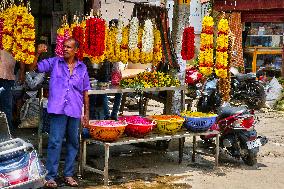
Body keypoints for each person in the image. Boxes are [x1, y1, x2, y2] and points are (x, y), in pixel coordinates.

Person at [30, 38, 90, 188]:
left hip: (75, 109)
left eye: (69, 47)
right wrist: (37, 53)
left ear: (76, 50)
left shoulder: (82, 68)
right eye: (64, 46)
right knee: (55, 142)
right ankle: (51, 176)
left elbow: (85, 92)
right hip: (57, 109)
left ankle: (68, 174)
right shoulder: (54, 62)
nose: (65, 49)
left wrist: (87, 114)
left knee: (73, 142)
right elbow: (33, 68)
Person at [0, 49, 25, 135]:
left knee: (6, 106)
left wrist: (22, 71)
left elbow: (20, 51)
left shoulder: (13, 36)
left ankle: (7, 133)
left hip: (6, 77)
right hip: (5, 75)